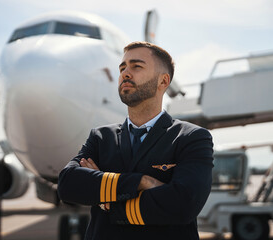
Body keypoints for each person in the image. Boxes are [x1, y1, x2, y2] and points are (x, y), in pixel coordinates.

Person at [57, 41, 214, 240]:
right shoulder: (100, 137)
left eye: (136, 66)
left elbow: (183, 206)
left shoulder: (191, 137)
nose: (125, 73)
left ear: (163, 81)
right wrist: (141, 181)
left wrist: (107, 201)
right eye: (122, 68)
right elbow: (68, 185)